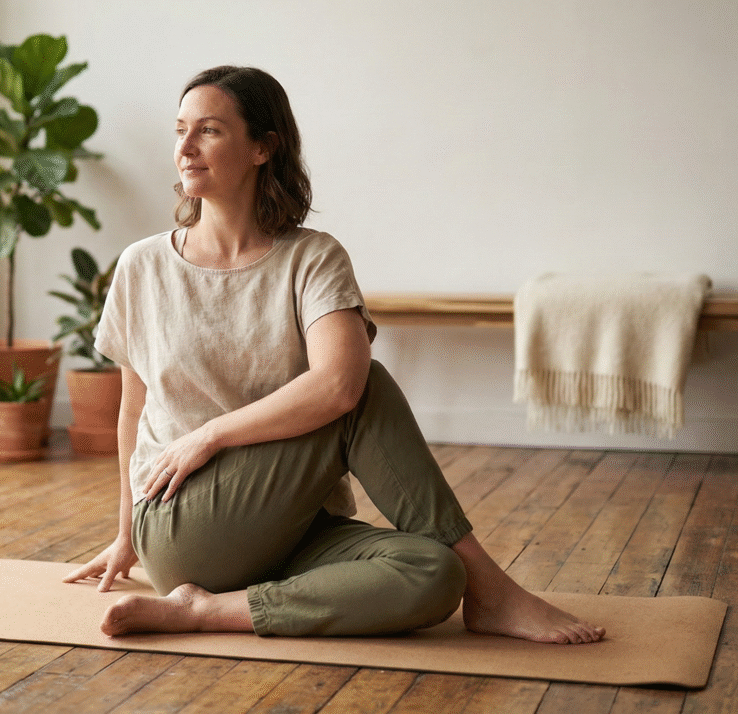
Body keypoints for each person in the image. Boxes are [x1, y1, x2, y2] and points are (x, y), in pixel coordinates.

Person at [64, 66, 605, 645]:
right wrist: (127, 535)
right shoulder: (142, 266)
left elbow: (335, 384)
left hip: (291, 526)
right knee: (361, 383)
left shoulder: (312, 260)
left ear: (262, 148)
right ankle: (494, 589)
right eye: (181, 130)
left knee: (434, 573)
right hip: (183, 522)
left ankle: (206, 612)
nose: (186, 149)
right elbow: (134, 407)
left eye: (210, 131)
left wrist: (213, 432)